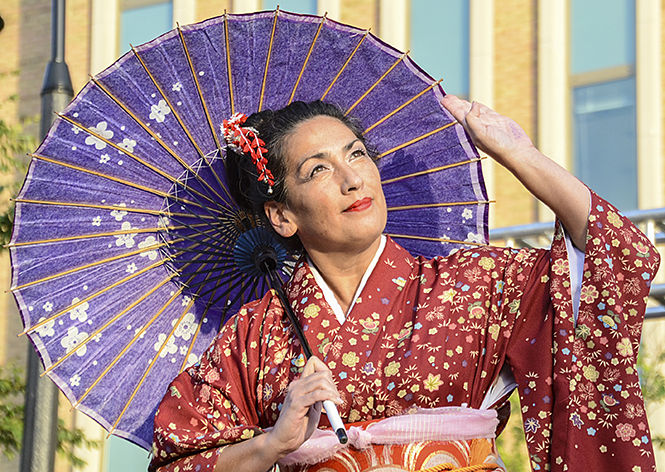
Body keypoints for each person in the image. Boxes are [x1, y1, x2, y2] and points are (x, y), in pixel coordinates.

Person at [148, 97, 659, 472]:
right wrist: (273, 442)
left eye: (357, 154)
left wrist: (518, 153)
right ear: (281, 215)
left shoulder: (471, 287)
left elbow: (613, 259)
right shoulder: (253, 338)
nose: (353, 179)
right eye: (318, 169)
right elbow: (177, 463)